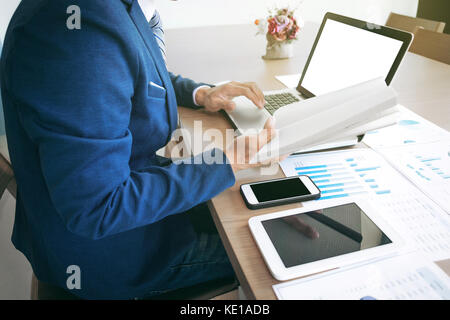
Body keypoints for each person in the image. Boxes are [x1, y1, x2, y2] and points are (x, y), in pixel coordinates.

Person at [0, 0, 279, 299]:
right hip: (113, 253)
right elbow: (98, 208)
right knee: (272, 252)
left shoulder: (102, 13)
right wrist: (226, 161)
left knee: (254, 208)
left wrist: (201, 94)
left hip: (117, 215)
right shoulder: (82, 34)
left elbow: (128, 70)